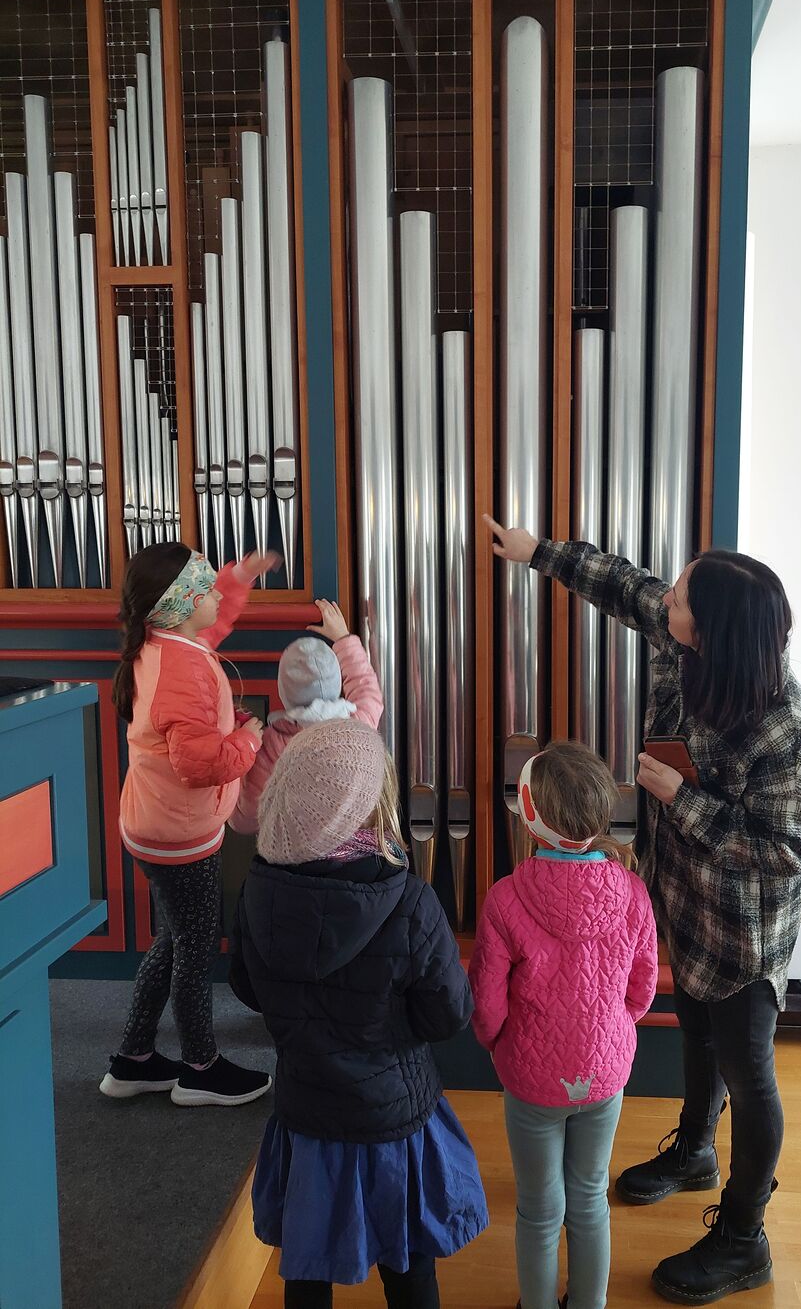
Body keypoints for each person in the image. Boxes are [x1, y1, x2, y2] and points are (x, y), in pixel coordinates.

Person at [484, 515, 801, 1306]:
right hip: (683, 900)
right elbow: (621, 584)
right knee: (698, 1036)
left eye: (677, 600)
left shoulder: (789, 731)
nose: (662, 600)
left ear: (711, 633)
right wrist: (537, 553)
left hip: (742, 933)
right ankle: (695, 1151)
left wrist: (684, 798)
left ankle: (744, 1236)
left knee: (751, 1073)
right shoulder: (688, 640)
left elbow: (784, 851)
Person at [229, 719, 488, 1309]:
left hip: (307, 1113)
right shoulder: (411, 900)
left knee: (307, 1265)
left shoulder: (258, 890)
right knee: (407, 1262)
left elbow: (247, 989)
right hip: (391, 1119)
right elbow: (447, 1014)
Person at [469, 741, 658, 1309]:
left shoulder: (505, 899)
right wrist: (611, 1033)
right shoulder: (632, 892)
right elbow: (643, 989)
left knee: (538, 1208)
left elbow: (486, 1005)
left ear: (529, 814)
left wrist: (499, 1046)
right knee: (591, 1197)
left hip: (530, 1083)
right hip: (605, 1076)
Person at [100, 542, 278, 1106]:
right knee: (194, 953)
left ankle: (133, 1059)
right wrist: (249, 737)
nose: (214, 595)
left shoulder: (168, 642)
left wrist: (239, 576)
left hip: (155, 825)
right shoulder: (182, 670)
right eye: (203, 588)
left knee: (175, 940)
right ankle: (200, 1069)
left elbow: (214, 618)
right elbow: (201, 766)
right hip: (181, 838)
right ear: (178, 605)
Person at [229, 597, 383, 835]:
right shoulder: (359, 725)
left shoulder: (271, 746)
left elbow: (245, 821)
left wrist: (239, 749)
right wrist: (343, 639)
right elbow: (366, 687)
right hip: (352, 847)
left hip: (296, 852)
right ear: (337, 682)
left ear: (283, 690)